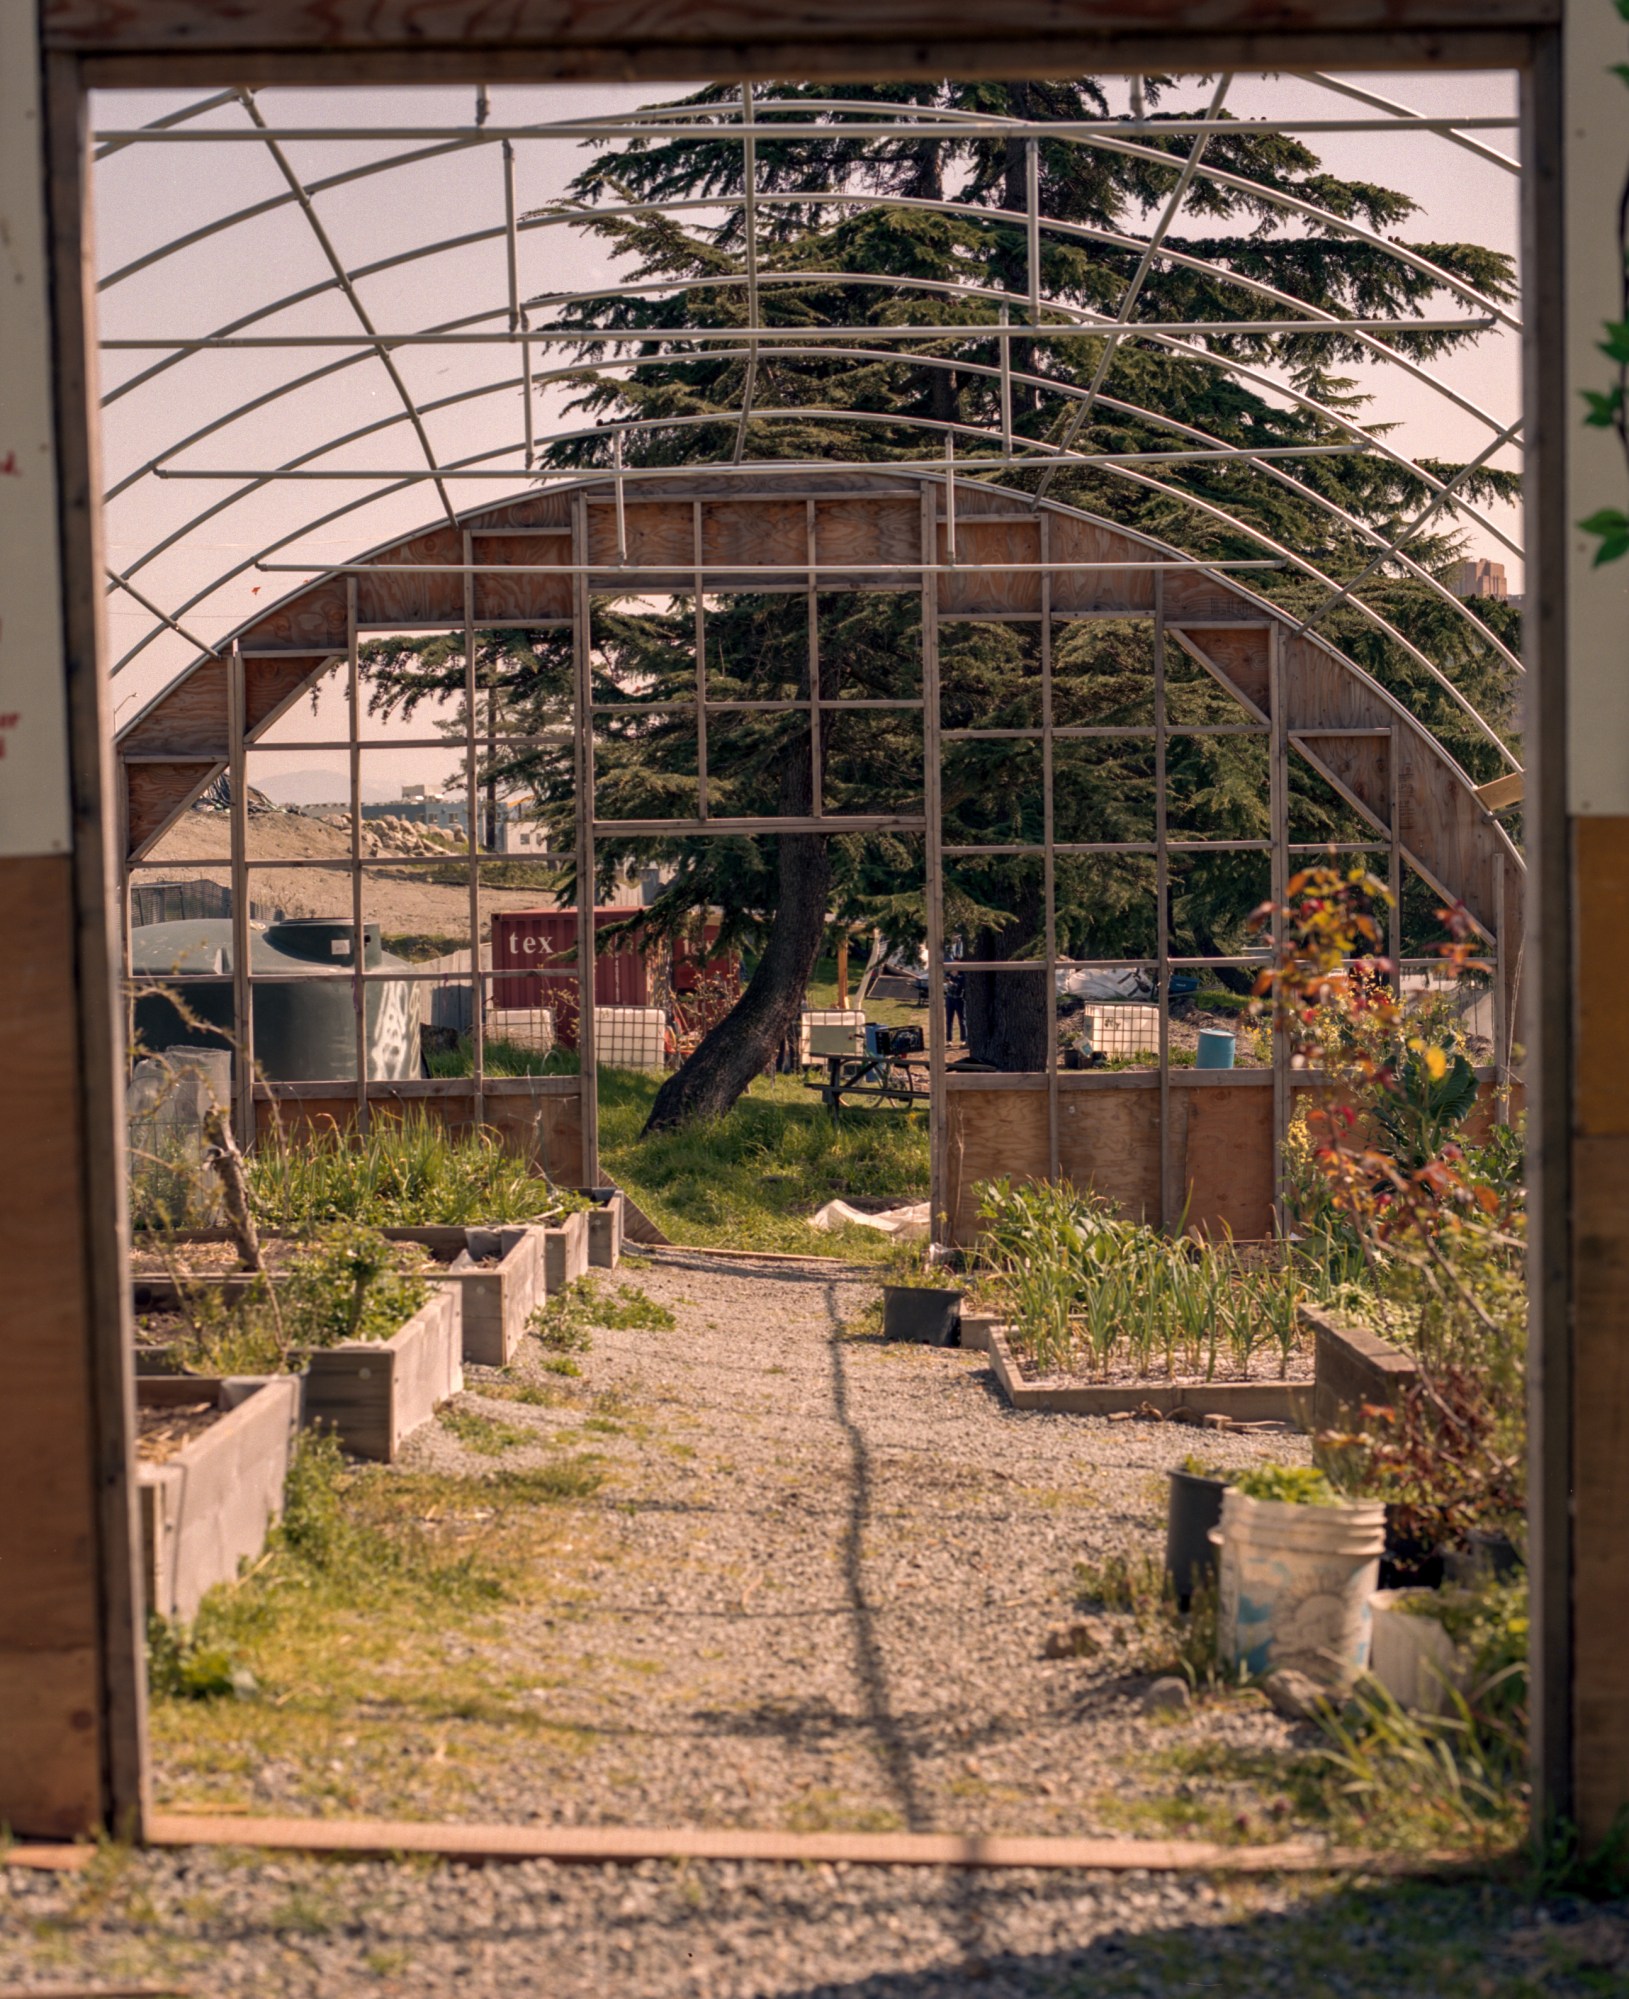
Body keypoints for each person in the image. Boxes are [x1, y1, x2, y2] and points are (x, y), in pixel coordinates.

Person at [944, 963, 966, 1045]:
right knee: (949, 1020)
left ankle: (963, 1039)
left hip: (959, 999)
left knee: (962, 1020)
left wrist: (951, 983)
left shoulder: (962, 975)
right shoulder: (948, 974)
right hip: (949, 998)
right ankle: (949, 1040)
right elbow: (944, 980)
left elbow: (959, 986)